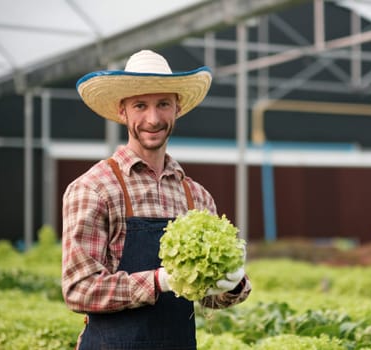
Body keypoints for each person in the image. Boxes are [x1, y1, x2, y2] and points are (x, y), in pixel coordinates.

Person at [61, 49, 251, 349]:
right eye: (140, 105)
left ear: (177, 108)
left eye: (163, 104)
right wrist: (159, 281)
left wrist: (233, 283)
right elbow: (79, 290)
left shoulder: (196, 197)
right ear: (122, 111)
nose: (153, 118)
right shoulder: (94, 188)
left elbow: (205, 297)